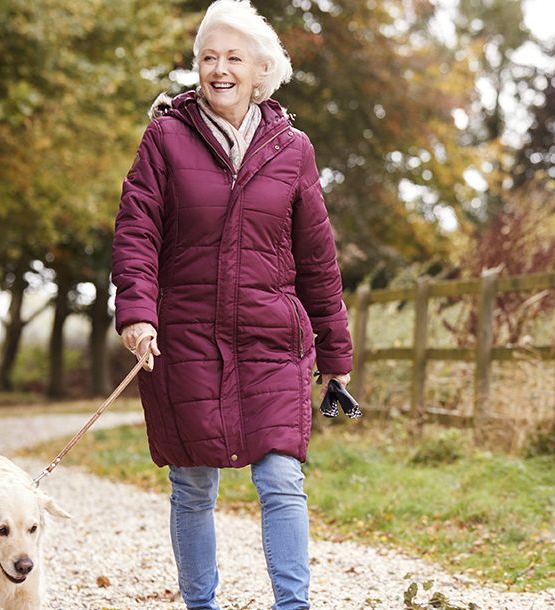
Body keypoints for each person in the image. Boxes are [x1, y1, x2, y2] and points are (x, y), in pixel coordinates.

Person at [111, 1, 352, 608]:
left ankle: (292, 605)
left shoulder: (293, 149)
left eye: (233, 57)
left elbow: (318, 258)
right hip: (186, 335)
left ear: (261, 69)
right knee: (193, 482)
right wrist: (138, 313)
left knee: (281, 477)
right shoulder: (165, 137)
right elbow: (136, 231)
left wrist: (336, 353)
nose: (219, 69)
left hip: (272, 338)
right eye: (207, 58)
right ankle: (201, 606)